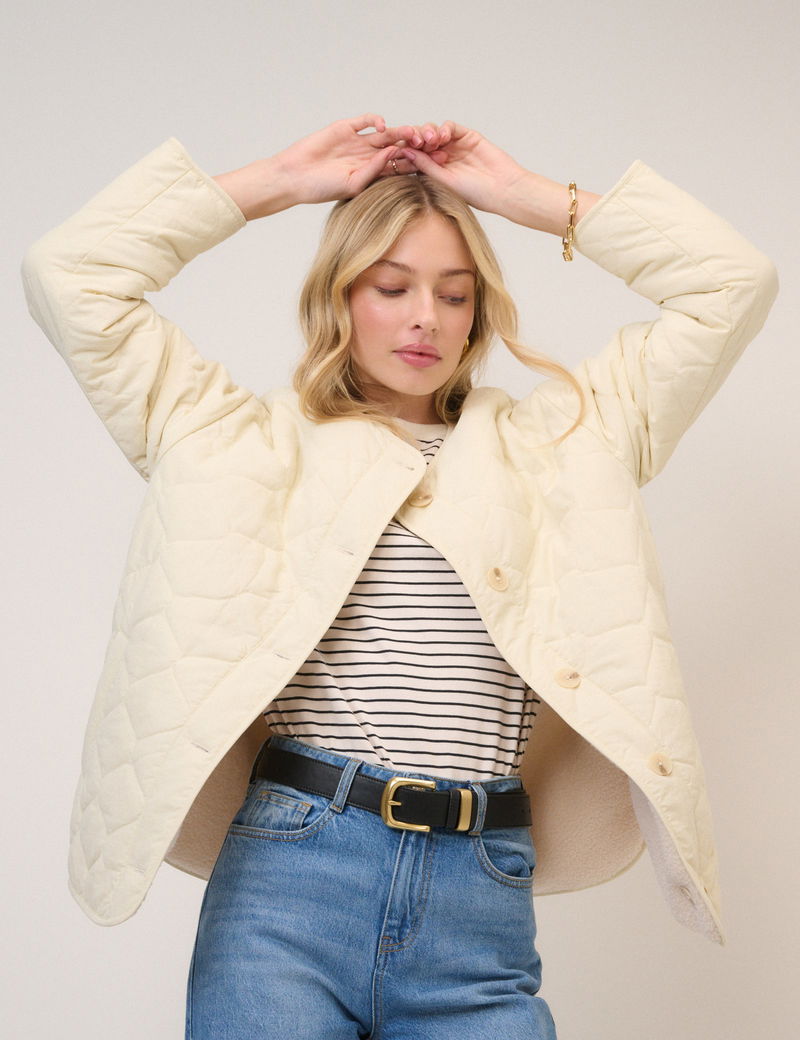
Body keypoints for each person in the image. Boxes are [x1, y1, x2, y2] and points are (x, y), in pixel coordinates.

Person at [21, 114, 778, 1039]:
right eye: (392, 286)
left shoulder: (569, 442)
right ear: (339, 294)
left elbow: (731, 284)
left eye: (455, 294)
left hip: (481, 901)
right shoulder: (229, 438)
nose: (426, 317)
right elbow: (74, 275)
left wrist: (525, 197)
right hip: (291, 888)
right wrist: (280, 180)